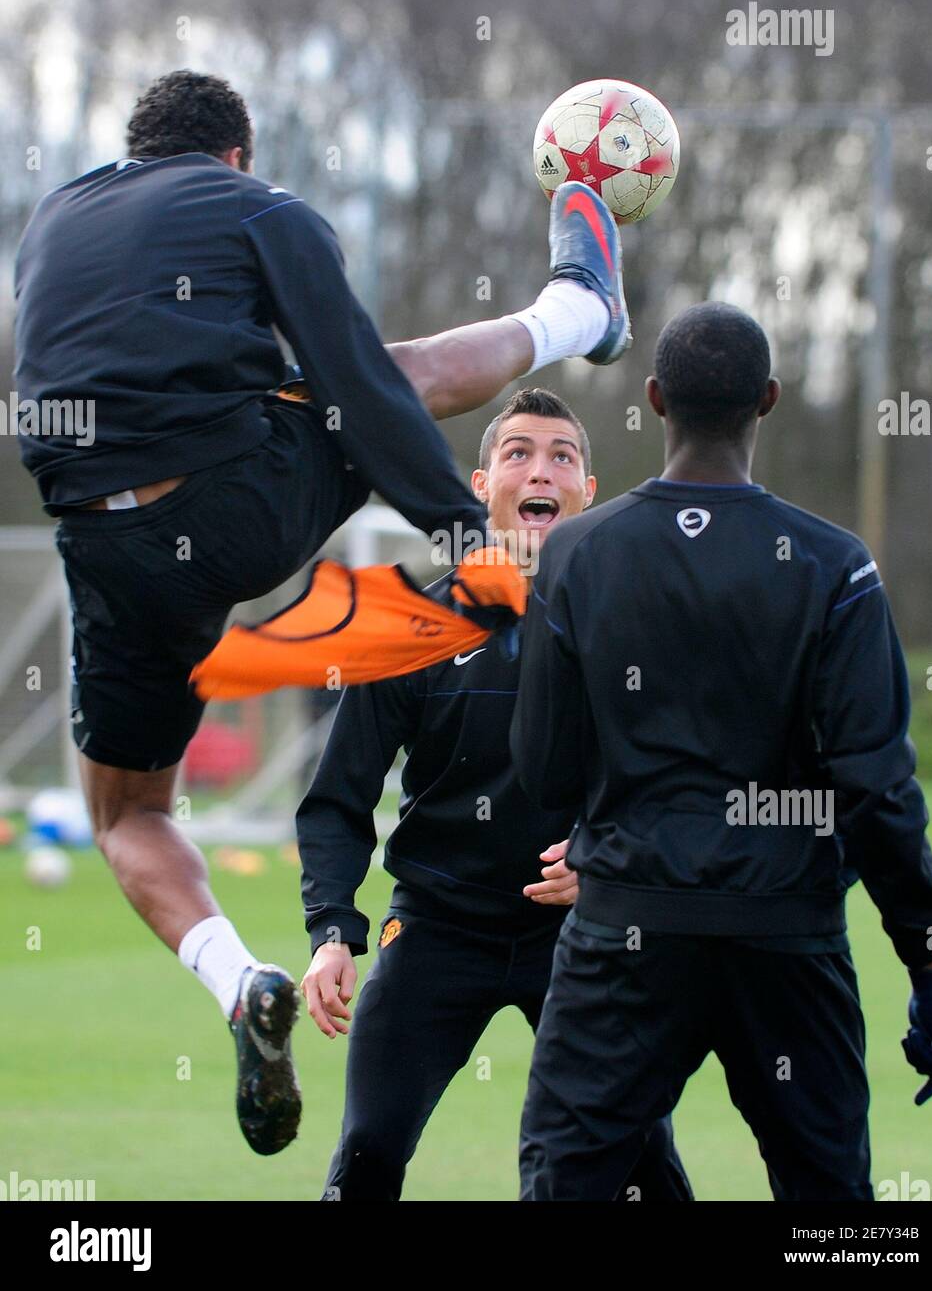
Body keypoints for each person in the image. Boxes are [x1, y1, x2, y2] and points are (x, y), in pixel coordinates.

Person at [13, 67, 630, 1157]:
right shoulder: (263, 211)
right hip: (233, 511)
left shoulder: (55, 217)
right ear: (238, 154)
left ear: (135, 149)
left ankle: (234, 974)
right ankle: (580, 306)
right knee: (388, 371)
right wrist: (460, 537)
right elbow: (354, 386)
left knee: (127, 815)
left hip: (101, 543)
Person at [510, 301, 932, 1201]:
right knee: (832, 1219)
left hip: (623, 943)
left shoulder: (573, 555)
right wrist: (926, 960)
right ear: (767, 399)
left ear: (652, 398)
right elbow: (877, 789)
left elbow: (544, 772)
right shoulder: (834, 567)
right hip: (785, 942)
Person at [297, 387, 691, 1201]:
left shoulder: (640, 634)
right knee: (367, 1152)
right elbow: (338, 796)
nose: (538, 469)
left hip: (584, 937)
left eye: (561, 456)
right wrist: (332, 929)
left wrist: (610, 859)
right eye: (517, 453)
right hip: (437, 930)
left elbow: (682, 786)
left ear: (586, 491)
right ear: (481, 486)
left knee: (641, 1159)